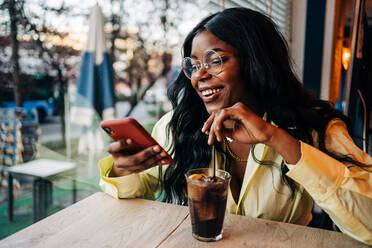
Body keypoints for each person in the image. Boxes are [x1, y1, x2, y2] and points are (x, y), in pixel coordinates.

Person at [99, 7, 372, 245]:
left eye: (215, 60)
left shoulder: (317, 127)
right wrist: (124, 170)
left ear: (256, 62)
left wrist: (275, 138)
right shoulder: (177, 125)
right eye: (193, 65)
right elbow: (133, 195)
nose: (200, 76)